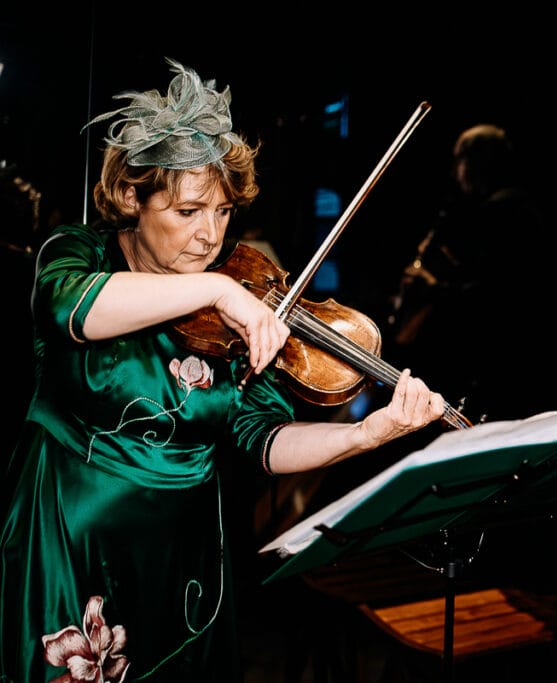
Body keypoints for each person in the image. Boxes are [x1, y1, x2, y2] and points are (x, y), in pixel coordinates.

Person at [0, 58, 447, 682]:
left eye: (223, 211)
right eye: (187, 213)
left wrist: (366, 434)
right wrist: (215, 291)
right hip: (70, 549)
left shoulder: (240, 299)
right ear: (133, 198)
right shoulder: (81, 253)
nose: (210, 236)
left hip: (184, 567)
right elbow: (68, 309)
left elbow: (262, 438)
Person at [385, 123, 557, 424]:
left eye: (460, 160)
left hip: (503, 354)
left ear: (476, 163)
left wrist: (433, 287)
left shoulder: (502, 211)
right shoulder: (512, 206)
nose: (456, 171)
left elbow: (493, 292)